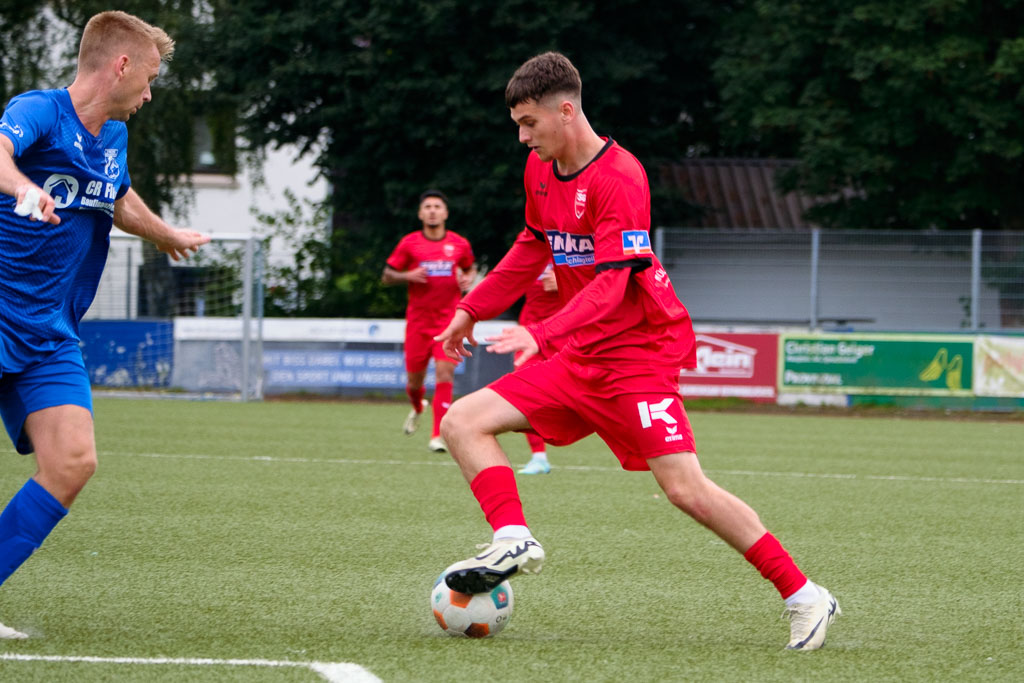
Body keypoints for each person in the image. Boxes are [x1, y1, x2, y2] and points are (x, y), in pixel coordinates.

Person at [434, 52, 840, 650]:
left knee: (686, 490)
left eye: (528, 124)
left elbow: (612, 281)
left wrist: (540, 334)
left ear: (565, 111)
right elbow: (530, 246)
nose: (521, 137)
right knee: (463, 419)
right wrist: (470, 310)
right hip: (580, 359)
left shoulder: (620, 176)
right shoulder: (539, 172)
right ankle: (514, 536)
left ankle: (807, 596)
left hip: (637, 360)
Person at [0, 11, 209, 639]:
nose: (149, 94)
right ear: (120, 65)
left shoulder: (113, 136)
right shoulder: (39, 110)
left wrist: (166, 233)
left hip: (49, 335)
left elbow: (116, 197)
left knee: (72, 462)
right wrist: (20, 189)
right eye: (147, 77)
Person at [382, 190, 476, 453]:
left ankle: (438, 435)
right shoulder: (410, 244)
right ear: (421, 213)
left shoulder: (459, 244)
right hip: (418, 323)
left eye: (437, 206)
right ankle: (417, 405)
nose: (433, 210)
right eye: (428, 207)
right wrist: (407, 275)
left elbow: (470, 267)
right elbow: (387, 275)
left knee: (445, 374)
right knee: (414, 383)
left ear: (445, 213)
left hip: (448, 321)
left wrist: (467, 278)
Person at [515, 261, 560, 474]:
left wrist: (566, 283)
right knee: (523, 391)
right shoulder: (529, 240)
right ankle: (539, 457)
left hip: (566, 333)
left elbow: (607, 284)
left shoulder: (580, 240)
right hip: (530, 332)